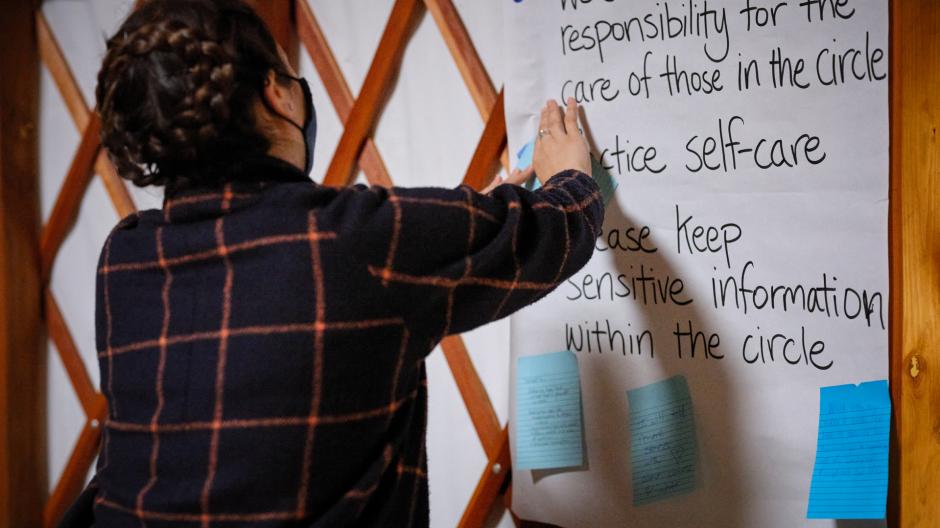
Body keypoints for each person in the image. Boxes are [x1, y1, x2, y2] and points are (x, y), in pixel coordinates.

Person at [61, 0, 603, 526]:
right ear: (277, 94)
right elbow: (552, 229)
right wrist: (570, 181)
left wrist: (447, 240)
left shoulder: (124, 258)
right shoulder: (356, 241)